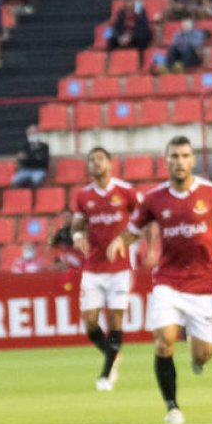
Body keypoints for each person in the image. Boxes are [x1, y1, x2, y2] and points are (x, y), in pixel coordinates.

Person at [107, 136, 212, 424]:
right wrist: (119, 242)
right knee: (164, 340)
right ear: (167, 160)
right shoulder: (154, 198)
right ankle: (172, 407)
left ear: (192, 160)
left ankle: (196, 360)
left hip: (203, 285)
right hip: (168, 281)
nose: (179, 161)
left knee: (204, 354)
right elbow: (134, 228)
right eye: (174, 156)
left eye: (185, 156)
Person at [71, 147, 141, 392]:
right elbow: (76, 225)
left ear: (110, 163)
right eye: (91, 160)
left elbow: (142, 220)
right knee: (90, 321)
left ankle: (106, 373)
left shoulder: (125, 191)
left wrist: (130, 242)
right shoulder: (84, 195)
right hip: (93, 267)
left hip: (120, 268)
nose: (96, 163)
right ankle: (114, 353)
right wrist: (78, 235)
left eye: (100, 159)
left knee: (115, 318)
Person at [107, 0, 153, 64]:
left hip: (135, 37)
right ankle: (111, 63)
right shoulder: (121, 13)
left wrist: (131, 37)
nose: (128, 11)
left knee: (143, 37)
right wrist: (119, 37)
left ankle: (141, 62)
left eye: (131, 9)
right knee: (110, 36)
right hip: (123, 37)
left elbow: (144, 29)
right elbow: (115, 27)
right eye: (127, 9)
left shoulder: (140, 11)